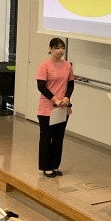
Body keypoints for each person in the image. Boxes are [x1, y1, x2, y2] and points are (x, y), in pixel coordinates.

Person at [36, 38, 74, 178]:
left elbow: (71, 84)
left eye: (62, 48)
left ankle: (54, 165)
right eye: (57, 48)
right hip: (47, 108)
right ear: (50, 49)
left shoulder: (67, 65)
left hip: (63, 108)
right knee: (46, 137)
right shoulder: (44, 65)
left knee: (59, 138)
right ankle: (46, 167)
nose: (60, 51)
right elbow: (41, 86)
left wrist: (66, 98)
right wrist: (55, 100)